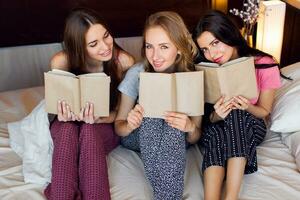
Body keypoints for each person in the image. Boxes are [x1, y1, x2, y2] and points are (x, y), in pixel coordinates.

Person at [44, 8, 135, 200]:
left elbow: (122, 112)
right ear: (79, 47)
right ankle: (61, 195)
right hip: (66, 122)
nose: (105, 46)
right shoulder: (61, 61)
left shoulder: (123, 62)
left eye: (106, 36)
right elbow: (54, 106)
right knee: (68, 130)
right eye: (93, 44)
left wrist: (99, 118)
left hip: (104, 123)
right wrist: (63, 114)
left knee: (89, 130)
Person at [193, 10, 281, 200]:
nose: (211, 54)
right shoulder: (205, 67)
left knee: (235, 113)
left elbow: (264, 111)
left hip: (251, 125)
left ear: (228, 34)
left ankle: (231, 197)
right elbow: (206, 120)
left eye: (215, 43)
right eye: (205, 49)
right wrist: (217, 114)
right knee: (216, 133)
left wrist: (245, 106)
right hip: (216, 125)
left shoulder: (264, 64)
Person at [114, 11, 202, 200]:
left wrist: (189, 126)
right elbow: (119, 127)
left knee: (172, 122)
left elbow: (195, 137)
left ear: (179, 48)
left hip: (176, 138)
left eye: (163, 47)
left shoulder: (191, 77)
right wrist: (130, 123)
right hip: (138, 136)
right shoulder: (137, 73)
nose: (155, 56)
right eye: (149, 46)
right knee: (152, 117)